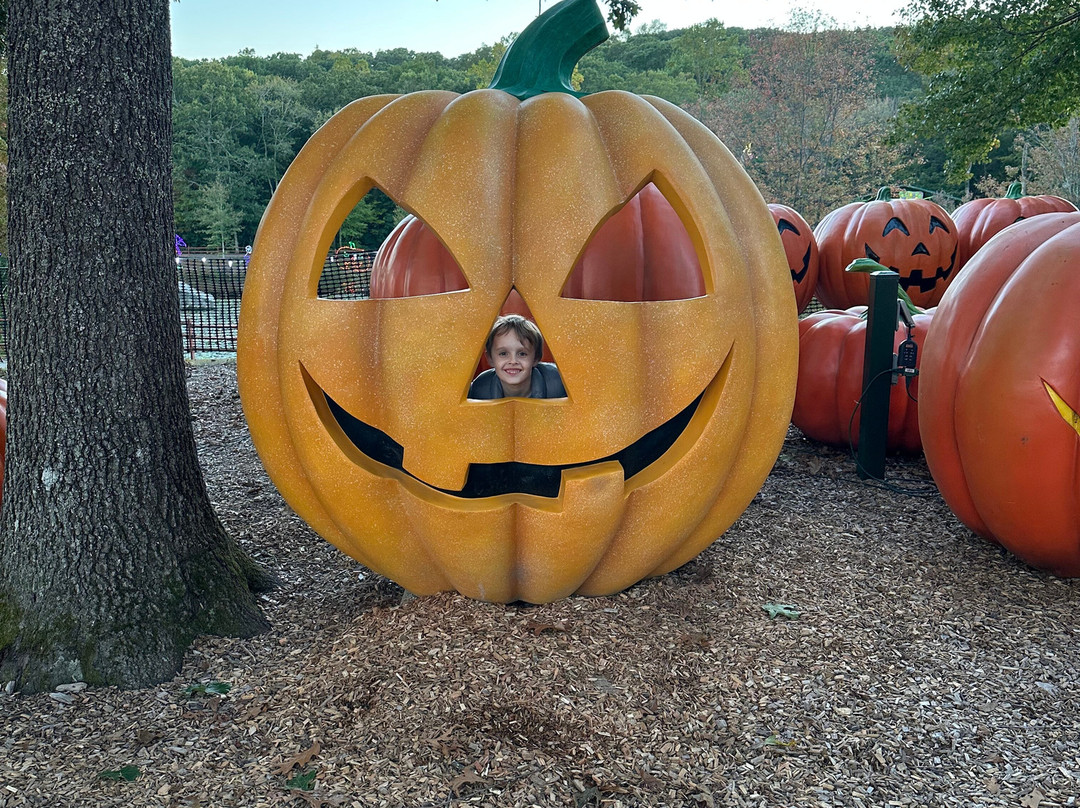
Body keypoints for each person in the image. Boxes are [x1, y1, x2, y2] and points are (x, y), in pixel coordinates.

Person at [468, 314, 566, 399]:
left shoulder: (558, 383)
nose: (513, 361)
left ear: (536, 358)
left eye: (522, 354)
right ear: (490, 358)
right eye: (503, 353)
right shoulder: (480, 389)